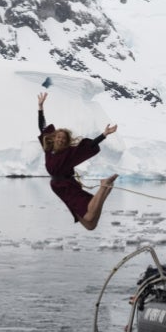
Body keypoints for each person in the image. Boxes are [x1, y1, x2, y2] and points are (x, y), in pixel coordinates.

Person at [37, 92, 118, 230]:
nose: (61, 139)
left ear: (66, 142)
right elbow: (43, 127)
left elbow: (89, 146)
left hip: (68, 186)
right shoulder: (48, 148)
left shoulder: (69, 153)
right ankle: (105, 190)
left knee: (89, 217)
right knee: (90, 225)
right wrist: (40, 107)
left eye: (64, 138)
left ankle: (104, 186)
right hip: (58, 187)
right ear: (54, 137)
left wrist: (104, 135)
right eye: (59, 137)